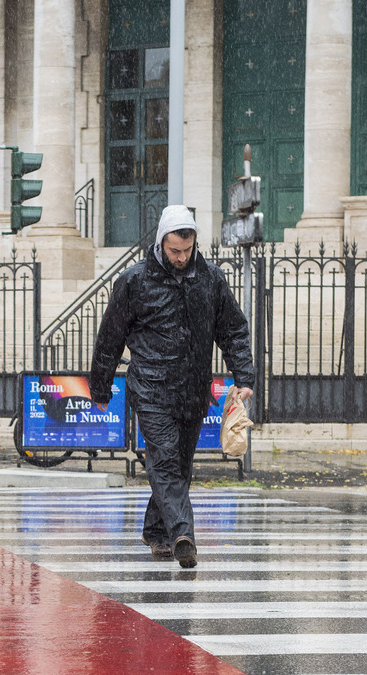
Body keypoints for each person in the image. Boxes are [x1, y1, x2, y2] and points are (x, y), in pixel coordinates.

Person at [89, 205, 255, 569]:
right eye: (174, 250)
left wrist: (243, 376)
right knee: (164, 461)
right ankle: (183, 535)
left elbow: (233, 329)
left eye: (187, 250)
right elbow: (109, 338)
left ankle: (155, 531)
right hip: (150, 388)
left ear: (194, 243)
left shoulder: (210, 278)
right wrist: (100, 388)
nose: (181, 258)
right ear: (160, 242)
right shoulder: (134, 281)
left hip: (194, 389)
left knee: (178, 464)